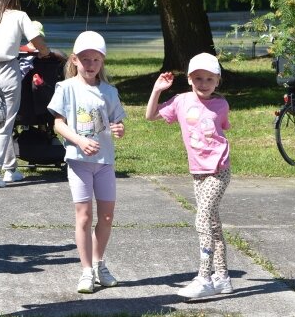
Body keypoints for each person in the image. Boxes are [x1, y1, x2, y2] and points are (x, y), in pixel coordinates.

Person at [144, 52, 233, 299]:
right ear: (190, 80)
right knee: (214, 224)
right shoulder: (181, 101)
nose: (203, 84)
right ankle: (223, 277)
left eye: (209, 79)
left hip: (219, 170)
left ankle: (205, 278)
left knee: (202, 220)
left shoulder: (221, 104)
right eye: (197, 78)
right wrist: (157, 90)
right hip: (197, 172)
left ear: (217, 80)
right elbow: (150, 116)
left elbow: (222, 128)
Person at [47, 31, 126, 294]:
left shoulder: (109, 92)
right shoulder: (66, 88)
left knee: (106, 215)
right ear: (75, 60)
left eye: (96, 59)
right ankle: (86, 271)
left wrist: (119, 129)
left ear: (102, 62)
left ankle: (99, 264)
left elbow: (118, 122)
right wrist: (80, 141)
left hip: (104, 162)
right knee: (83, 217)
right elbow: (58, 123)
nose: (90, 64)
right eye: (85, 59)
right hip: (79, 162)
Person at [0, 0, 50, 188]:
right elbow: (36, 40)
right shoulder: (19, 16)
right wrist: (45, 52)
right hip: (7, 69)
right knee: (6, 121)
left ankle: (10, 169)